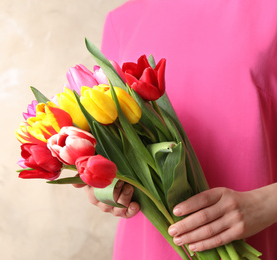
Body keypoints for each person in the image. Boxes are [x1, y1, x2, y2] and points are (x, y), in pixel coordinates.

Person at [80, 0, 277, 259]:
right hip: (148, 247)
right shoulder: (122, 21)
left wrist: (268, 203)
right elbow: (113, 139)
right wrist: (106, 188)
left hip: (258, 241)